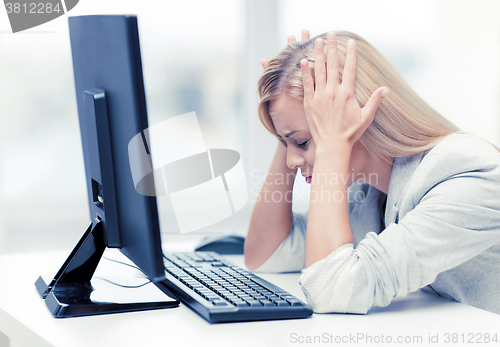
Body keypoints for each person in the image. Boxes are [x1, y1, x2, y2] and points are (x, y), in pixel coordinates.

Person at [244, 30, 500, 314]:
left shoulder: (466, 172)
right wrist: (289, 124)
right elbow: (265, 253)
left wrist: (329, 143)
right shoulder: (368, 192)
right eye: (286, 144)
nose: (292, 160)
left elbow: (331, 289)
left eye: (303, 142)